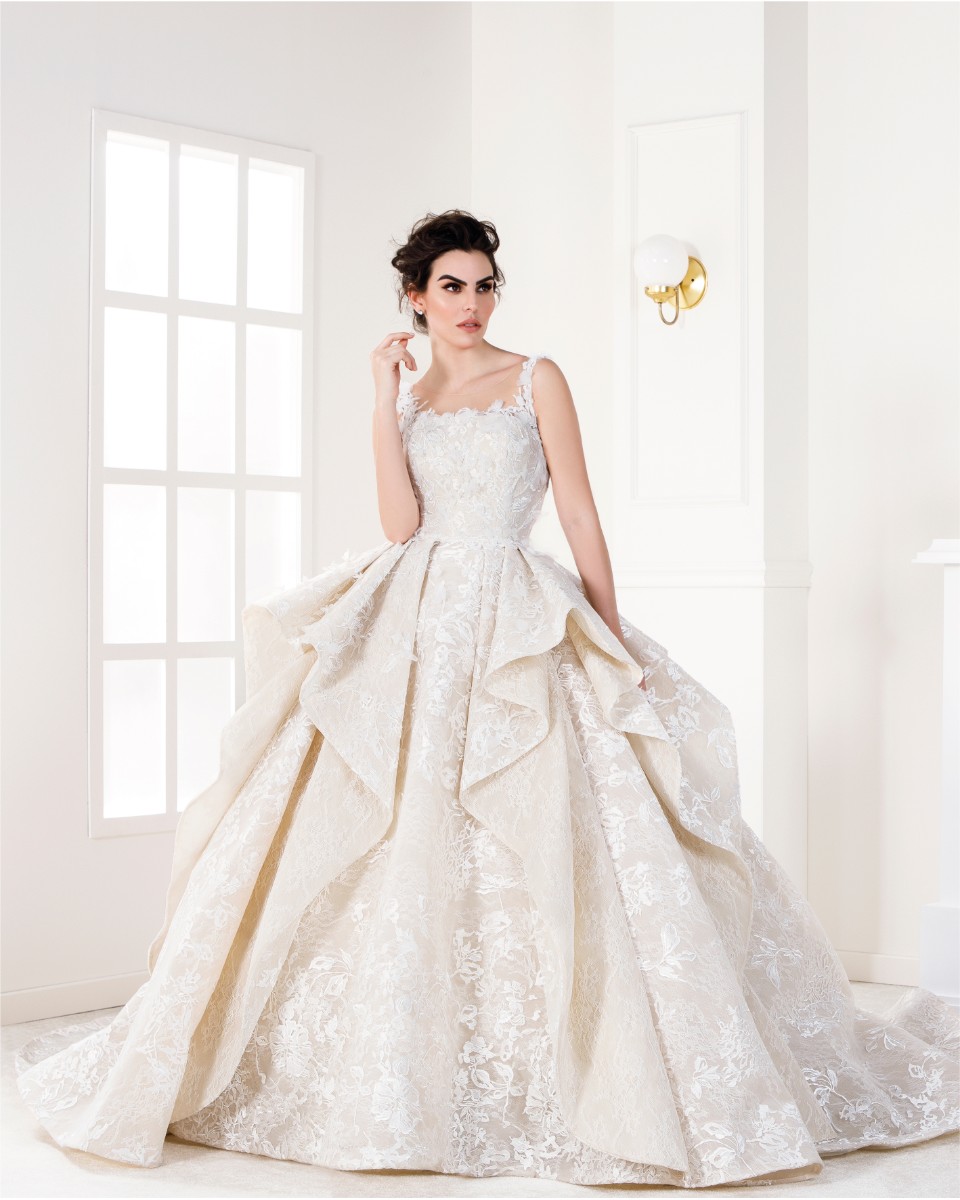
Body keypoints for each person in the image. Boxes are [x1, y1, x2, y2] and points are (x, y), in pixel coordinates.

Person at [15, 210, 959, 1187]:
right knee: (387, 817)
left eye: (484, 285)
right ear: (416, 298)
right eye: (452, 287)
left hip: (518, 614)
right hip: (416, 617)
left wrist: (610, 634)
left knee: (558, 819)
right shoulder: (410, 397)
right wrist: (380, 400)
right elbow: (399, 525)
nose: (472, 304)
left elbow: (578, 510)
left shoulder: (536, 377)